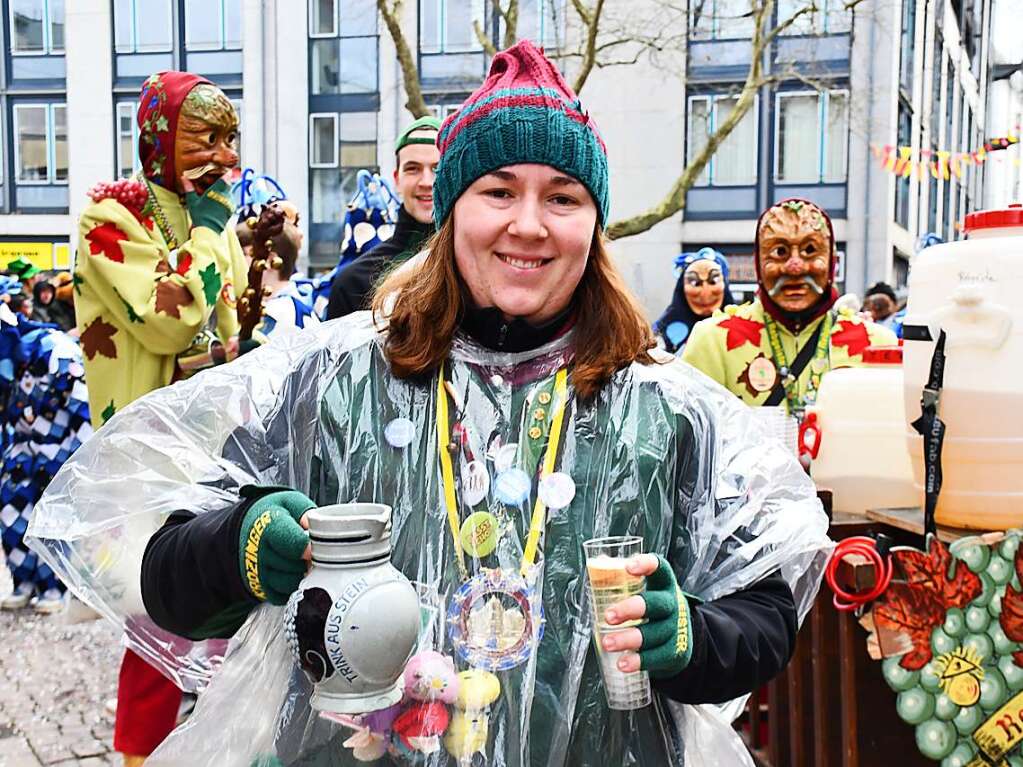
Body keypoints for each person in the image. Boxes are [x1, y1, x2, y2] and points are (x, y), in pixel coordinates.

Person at [32, 42, 830, 766]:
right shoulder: (333, 379)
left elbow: (765, 606)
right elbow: (168, 579)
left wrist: (689, 635)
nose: (528, 224)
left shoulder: (666, 407)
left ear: (595, 221)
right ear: (449, 208)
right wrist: (241, 545)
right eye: (497, 190)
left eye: (562, 197)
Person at [73, 70, 248, 767]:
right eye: (207, 138)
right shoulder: (107, 219)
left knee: (221, 620)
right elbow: (171, 319)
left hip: (213, 449)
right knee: (154, 628)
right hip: (142, 459)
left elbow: (227, 327)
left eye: (230, 141)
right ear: (159, 138)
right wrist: (208, 235)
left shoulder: (215, 220)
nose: (225, 159)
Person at [683, 199, 897, 417]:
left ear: (832, 261)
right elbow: (692, 442)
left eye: (810, 249)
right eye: (779, 251)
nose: (795, 267)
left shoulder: (877, 345)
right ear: (758, 261)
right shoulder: (713, 340)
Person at [0, 298, 90, 613]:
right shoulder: (8, 361)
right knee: (12, 513)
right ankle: (24, 582)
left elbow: (81, 409)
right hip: (22, 452)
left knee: (55, 520)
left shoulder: (58, 352)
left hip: (61, 454)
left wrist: (83, 460)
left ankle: (56, 588)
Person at [325, 116, 441, 319]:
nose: (426, 181)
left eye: (437, 169)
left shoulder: (483, 273)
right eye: (413, 169)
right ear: (397, 179)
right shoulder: (354, 283)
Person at [234, 200, 319, 338]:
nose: (236, 260)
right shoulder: (298, 304)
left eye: (245, 254)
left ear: (268, 260)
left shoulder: (274, 315)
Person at [652, 247, 735, 354]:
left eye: (713, 280)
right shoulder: (662, 332)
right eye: (695, 282)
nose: (705, 292)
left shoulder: (741, 325)